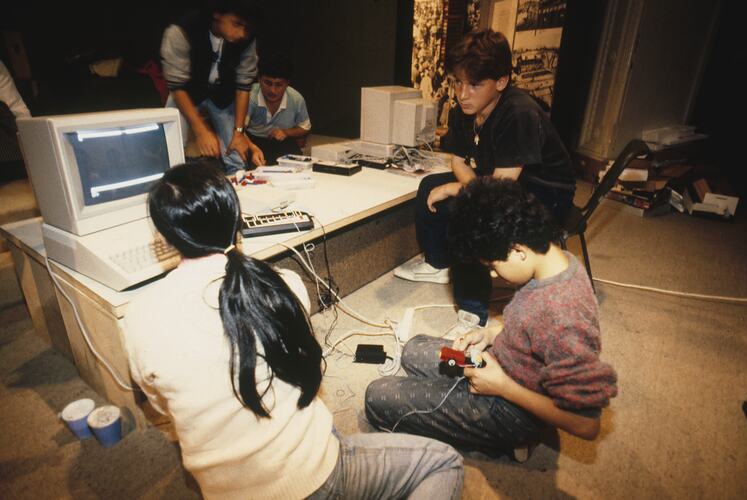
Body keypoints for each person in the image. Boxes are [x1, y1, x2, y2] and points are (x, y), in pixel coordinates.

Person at [123, 161, 463, 500]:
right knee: (444, 462)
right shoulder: (283, 285)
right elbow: (304, 369)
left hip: (224, 493)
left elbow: (161, 403)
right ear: (235, 219)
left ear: (166, 236)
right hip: (314, 480)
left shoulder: (139, 316)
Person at [366, 178, 618, 460]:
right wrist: (491, 333)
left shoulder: (563, 316)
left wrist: (503, 387)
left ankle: (506, 439)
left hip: (510, 408)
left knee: (378, 396)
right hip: (493, 362)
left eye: (492, 266)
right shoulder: (558, 259)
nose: (493, 275)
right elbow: (529, 323)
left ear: (518, 250)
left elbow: (587, 424)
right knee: (413, 348)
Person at [394, 29, 577, 333]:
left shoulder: (519, 113)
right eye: (458, 82)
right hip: (500, 181)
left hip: (546, 193)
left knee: (473, 216)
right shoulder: (462, 110)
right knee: (429, 186)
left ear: (501, 82)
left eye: (475, 84)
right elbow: (458, 160)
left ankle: (472, 312)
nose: (462, 93)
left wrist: (459, 188)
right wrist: (464, 184)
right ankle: (438, 263)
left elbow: (500, 190)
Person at [160, 0, 265, 172]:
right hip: (186, 92)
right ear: (217, 13)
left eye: (247, 28)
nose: (241, 33)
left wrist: (239, 132)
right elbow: (177, 85)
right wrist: (201, 130)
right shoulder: (181, 31)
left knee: (236, 154)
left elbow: (244, 85)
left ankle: (237, 189)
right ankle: (171, 183)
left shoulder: (247, 39)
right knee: (170, 145)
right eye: (237, 24)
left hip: (223, 95)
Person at [245, 53, 311, 163]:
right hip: (252, 140)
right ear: (259, 79)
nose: (272, 90)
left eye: (279, 84)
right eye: (267, 83)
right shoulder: (250, 96)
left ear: (287, 83)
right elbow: (238, 131)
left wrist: (286, 132)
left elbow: (305, 128)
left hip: (282, 141)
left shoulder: (296, 98)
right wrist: (254, 149)